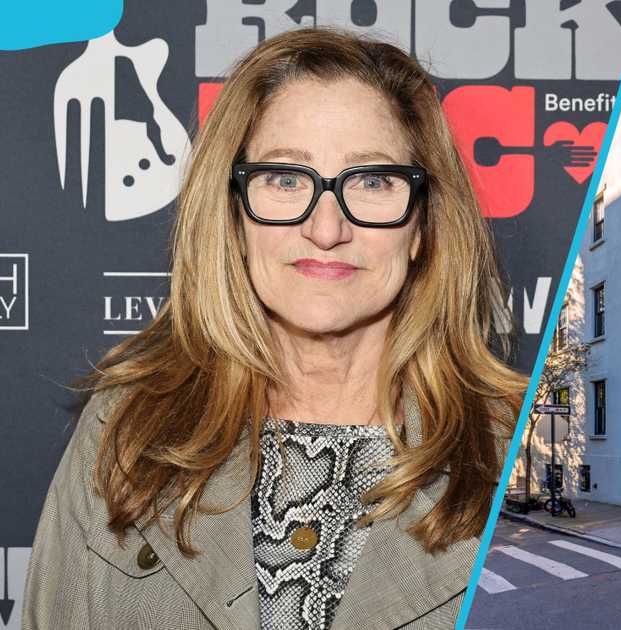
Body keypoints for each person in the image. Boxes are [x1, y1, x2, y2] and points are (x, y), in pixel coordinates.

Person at [22, 26, 527, 630]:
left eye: (372, 180)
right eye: (286, 178)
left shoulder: (503, 448)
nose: (326, 228)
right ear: (234, 214)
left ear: (422, 225)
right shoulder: (126, 428)